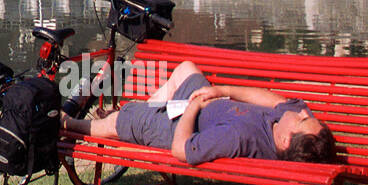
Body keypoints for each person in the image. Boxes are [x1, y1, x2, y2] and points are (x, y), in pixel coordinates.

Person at [60, 60, 337, 164]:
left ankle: (70, 124)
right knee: (186, 69)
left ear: (287, 140)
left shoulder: (240, 138)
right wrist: (219, 90)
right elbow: (272, 99)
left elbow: (183, 150)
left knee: (122, 120)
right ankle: (144, 110)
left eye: (303, 120)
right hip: (200, 106)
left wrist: (192, 109)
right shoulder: (285, 120)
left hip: (180, 126)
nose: (302, 112)